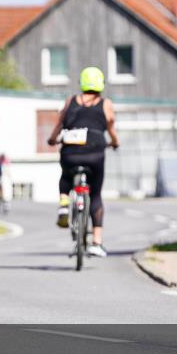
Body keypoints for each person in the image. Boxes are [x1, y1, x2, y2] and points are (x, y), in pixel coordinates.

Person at [46, 66, 119, 257]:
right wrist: (115, 142)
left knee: (65, 176)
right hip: (95, 152)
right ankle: (96, 242)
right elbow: (111, 126)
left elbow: (60, 124)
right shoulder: (105, 103)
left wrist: (52, 139)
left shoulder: (71, 101)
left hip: (70, 150)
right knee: (95, 195)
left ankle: (63, 203)